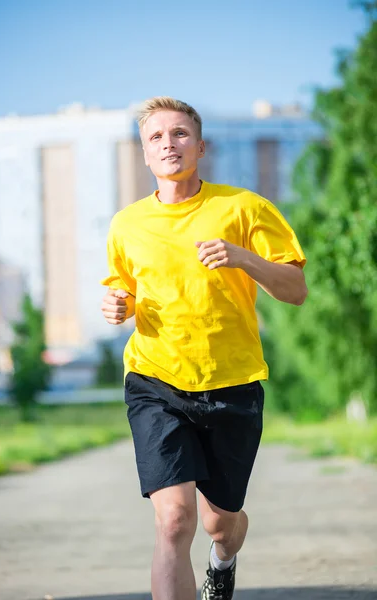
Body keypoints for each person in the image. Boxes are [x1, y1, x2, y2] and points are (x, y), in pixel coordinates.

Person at [100, 96, 307, 600]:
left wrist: (242, 258)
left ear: (200, 146)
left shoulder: (243, 208)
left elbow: (295, 290)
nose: (168, 143)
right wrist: (116, 306)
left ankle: (224, 558)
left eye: (179, 134)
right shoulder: (127, 225)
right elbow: (120, 291)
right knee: (173, 521)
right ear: (145, 155)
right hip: (155, 380)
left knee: (220, 523)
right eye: (156, 137)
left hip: (232, 382)